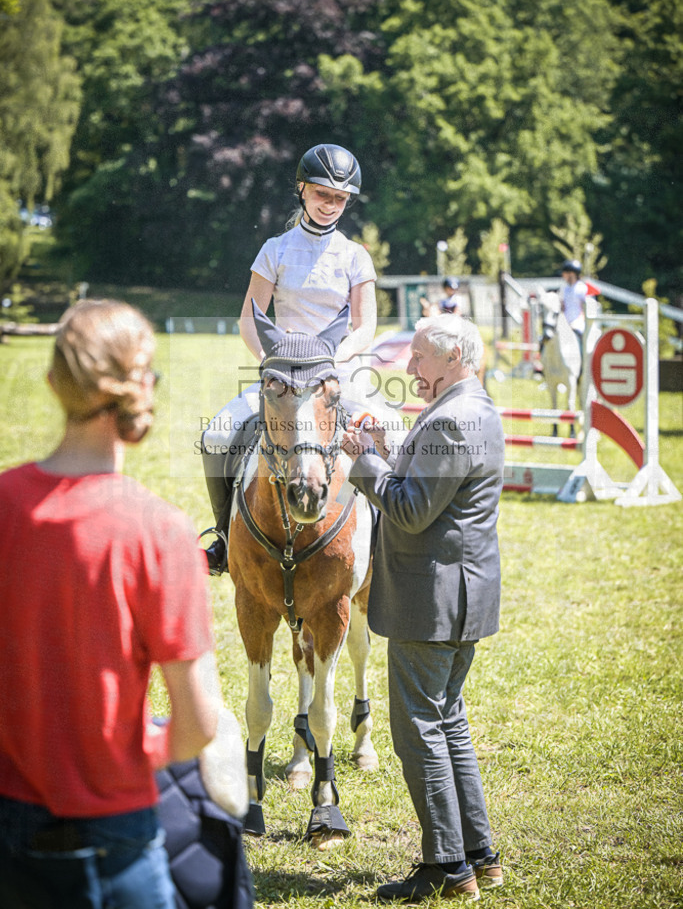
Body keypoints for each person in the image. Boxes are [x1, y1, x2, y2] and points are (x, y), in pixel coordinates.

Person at [0, 299, 220, 909]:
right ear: (141, 388)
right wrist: (134, 753)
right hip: (116, 832)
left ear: (52, 383)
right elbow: (199, 723)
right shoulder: (161, 531)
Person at [341, 314, 505, 904]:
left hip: (434, 600)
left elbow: (410, 511)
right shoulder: (474, 409)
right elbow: (431, 485)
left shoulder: (452, 419)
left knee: (419, 732)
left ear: (454, 356)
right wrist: (388, 451)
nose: (409, 370)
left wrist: (364, 463)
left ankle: (447, 866)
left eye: (418, 359)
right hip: (462, 596)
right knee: (449, 723)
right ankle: (481, 856)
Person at [202, 142, 396, 575]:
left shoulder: (354, 255)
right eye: (322, 194)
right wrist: (272, 363)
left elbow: (365, 326)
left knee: (395, 436)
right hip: (283, 376)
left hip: (337, 374)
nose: (330, 205)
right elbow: (250, 319)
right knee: (217, 434)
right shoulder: (276, 249)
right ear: (302, 190)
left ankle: (389, 544)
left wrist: (332, 359)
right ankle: (223, 537)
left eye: (340, 198)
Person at [559, 258, 588, 349]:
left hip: (578, 322)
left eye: (565, 273)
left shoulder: (581, 288)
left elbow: (584, 308)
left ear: (571, 274)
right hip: (566, 322)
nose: (563, 275)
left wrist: (577, 322)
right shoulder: (564, 288)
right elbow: (562, 306)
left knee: (578, 336)